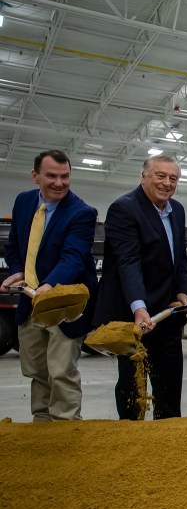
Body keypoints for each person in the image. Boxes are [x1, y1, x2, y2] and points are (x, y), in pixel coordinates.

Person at [95, 155, 187, 420]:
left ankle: (167, 441)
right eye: (160, 176)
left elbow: (179, 258)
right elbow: (129, 262)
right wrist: (139, 308)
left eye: (173, 178)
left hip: (167, 315)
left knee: (170, 387)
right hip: (134, 316)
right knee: (132, 387)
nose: (166, 183)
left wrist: (181, 290)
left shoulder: (178, 210)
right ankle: (131, 440)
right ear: (143, 176)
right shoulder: (124, 209)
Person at [2, 150, 98, 422]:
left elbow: (74, 257)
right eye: (51, 176)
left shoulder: (82, 212)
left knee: (61, 371)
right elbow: (14, 248)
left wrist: (49, 285)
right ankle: (42, 425)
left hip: (63, 306)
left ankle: (66, 428)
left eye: (65, 176)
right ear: (35, 176)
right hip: (30, 302)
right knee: (36, 370)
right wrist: (17, 271)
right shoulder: (23, 203)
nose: (59, 183)